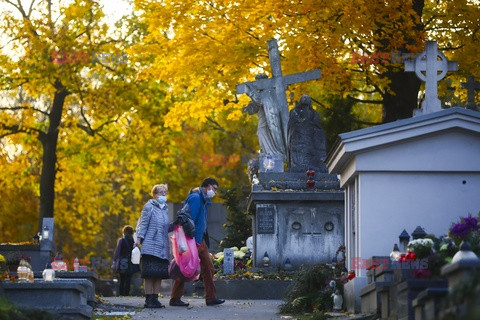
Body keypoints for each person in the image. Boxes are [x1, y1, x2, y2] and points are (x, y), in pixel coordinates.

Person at [170, 177, 225, 307]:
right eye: (214, 189)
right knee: (184, 269)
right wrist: (190, 240)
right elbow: (188, 219)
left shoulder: (204, 201)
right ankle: (175, 298)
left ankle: (211, 298)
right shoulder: (195, 198)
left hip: (201, 241)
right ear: (207, 186)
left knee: (209, 268)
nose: (215, 193)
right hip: (192, 240)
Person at [135, 184, 174, 308]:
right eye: (160, 192)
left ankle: (155, 299)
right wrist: (138, 240)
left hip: (162, 247)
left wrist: (176, 224)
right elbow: (143, 224)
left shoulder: (165, 209)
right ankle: (148, 300)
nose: (163, 194)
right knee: (149, 274)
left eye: (165, 192)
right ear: (154, 194)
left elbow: (166, 228)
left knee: (158, 275)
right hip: (150, 245)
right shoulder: (149, 207)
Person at [242, 74, 287, 159]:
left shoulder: (269, 92)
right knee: (261, 134)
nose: (257, 84)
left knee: (264, 134)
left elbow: (259, 100)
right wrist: (248, 108)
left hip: (269, 123)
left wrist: (251, 91)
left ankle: (273, 154)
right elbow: (254, 108)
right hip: (263, 122)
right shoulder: (262, 94)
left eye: (259, 82)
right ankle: (267, 154)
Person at [113, 225, 138, 296]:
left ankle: (121, 294)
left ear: (124, 232)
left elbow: (117, 252)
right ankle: (126, 294)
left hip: (122, 262)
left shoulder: (121, 240)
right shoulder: (133, 241)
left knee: (122, 279)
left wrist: (115, 261)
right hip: (130, 262)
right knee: (128, 279)